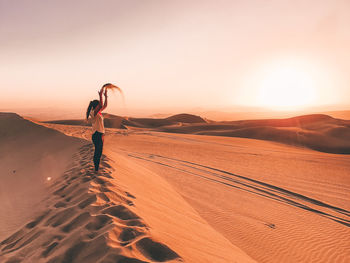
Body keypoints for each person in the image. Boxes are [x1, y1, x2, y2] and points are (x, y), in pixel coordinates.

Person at [86, 85, 108, 172]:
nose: (100, 106)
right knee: (97, 152)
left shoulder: (98, 112)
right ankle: (96, 169)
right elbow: (101, 104)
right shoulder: (93, 113)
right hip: (97, 135)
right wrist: (100, 95)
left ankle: (96, 168)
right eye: (98, 104)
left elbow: (105, 105)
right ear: (96, 106)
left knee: (99, 152)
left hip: (101, 134)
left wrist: (105, 96)